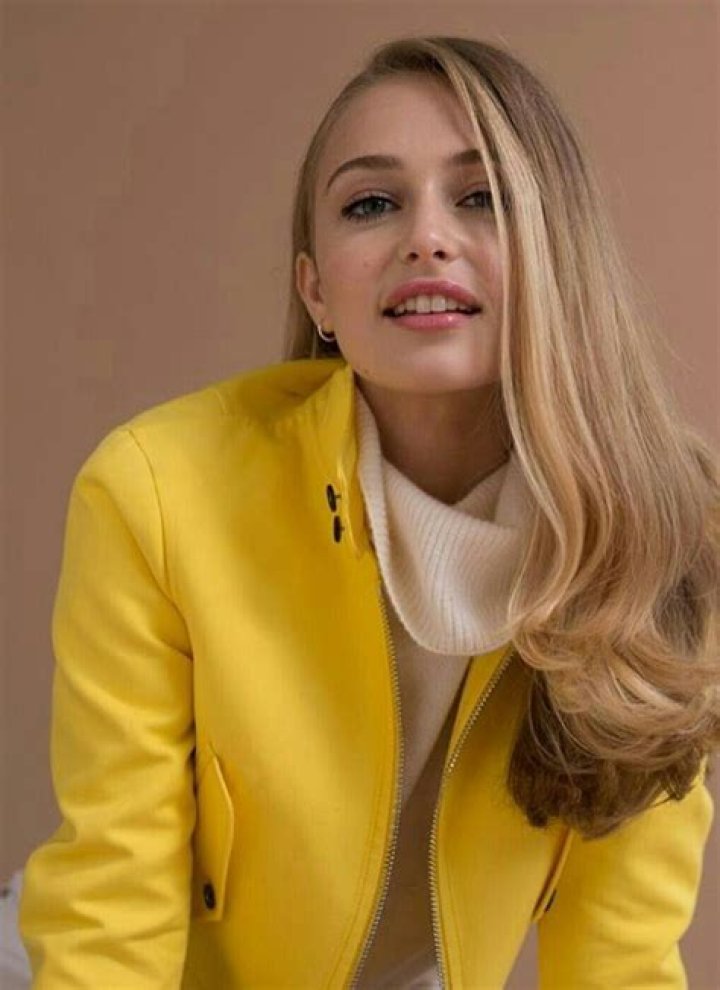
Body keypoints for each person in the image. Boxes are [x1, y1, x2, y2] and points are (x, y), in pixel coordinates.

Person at [18, 34, 719, 989]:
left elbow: (622, 957)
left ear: (562, 258)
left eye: (483, 197)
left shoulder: (659, 529)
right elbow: (113, 908)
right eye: (372, 204)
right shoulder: (158, 492)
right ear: (317, 290)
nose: (426, 237)